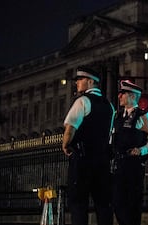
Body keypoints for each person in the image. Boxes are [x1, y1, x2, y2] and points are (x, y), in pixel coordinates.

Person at [62, 66, 115, 225]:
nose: (77, 83)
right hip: (102, 161)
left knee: (78, 203)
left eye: (80, 80)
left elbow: (70, 128)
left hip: (82, 160)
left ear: (91, 81)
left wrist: (65, 145)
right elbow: (110, 134)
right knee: (103, 204)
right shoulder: (109, 105)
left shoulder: (82, 101)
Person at [112, 80, 148, 225]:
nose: (119, 96)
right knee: (117, 203)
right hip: (118, 165)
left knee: (132, 205)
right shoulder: (117, 116)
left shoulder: (143, 116)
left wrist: (142, 150)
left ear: (131, 96)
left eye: (122, 94)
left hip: (133, 166)